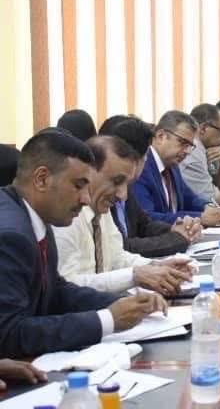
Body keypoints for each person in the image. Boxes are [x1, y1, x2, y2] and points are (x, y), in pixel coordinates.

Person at [0, 129, 165, 358]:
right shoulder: (10, 235)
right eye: (78, 186)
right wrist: (106, 320)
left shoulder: (37, 216)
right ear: (42, 179)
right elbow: (8, 335)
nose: (86, 198)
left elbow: (56, 291)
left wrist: (123, 302)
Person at [54, 136, 193, 295]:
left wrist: (156, 266)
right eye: (116, 181)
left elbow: (116, 258)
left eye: (127, 184)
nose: (123, 195)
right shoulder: (66, 216)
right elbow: (67, 285)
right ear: (88, 172)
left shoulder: (100, 209)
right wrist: (134, 276)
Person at [104, 116, 201, 257]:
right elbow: (121, 247)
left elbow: (144, 224)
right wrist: (177, 238)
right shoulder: (105, 190)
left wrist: (175, 229)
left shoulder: (171, 166)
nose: (122, 194)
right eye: (182, 142)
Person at [134, 110, 220, 226]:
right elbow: (147, 218)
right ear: (160, 136)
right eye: (183, 142)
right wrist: (200, 218)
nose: (188, 151)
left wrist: (207, 207)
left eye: (190, 146)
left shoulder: (172, 165)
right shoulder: (141, 168)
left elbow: (189, 198)